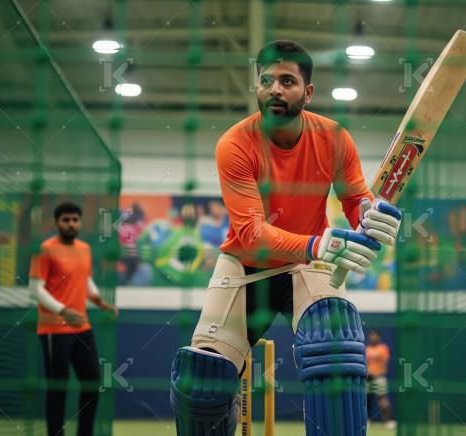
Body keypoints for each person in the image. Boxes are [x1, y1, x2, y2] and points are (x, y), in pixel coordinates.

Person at [169, 40, 403, 436]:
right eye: (266, 80)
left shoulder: (334, 138)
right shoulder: (236, 144)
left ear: (307, 93)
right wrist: (317, 244)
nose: (275, 89)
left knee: (338, 357)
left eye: (287, 81)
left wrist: (368, 214)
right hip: (246, 265)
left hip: (305, 268)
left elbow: (355, 197)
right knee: (202, 382)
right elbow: (250, 231)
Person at [28, 202, 118, 436]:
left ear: (79, 222)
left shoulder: (84, 249)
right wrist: (63, 310)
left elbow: (84, 279)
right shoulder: (44, 249)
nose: (71, 224)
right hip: (53, 331)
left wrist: (98, 300)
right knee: (58, 389)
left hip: (82, 328)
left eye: (75, 219)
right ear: (56, 223)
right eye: (65, 220)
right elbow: (35, 289)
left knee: (92, 382)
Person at [366, 331, 396, 429]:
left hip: (379, 376)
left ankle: (389, 420)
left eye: (375, 336)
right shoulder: (367, 349)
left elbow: (384, 360)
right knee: (367, 399)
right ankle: (367, 420)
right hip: (368, 377)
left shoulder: (383, 348)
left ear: (378, 337)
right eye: (371, 336)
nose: (372, 338)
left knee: (383, 400)